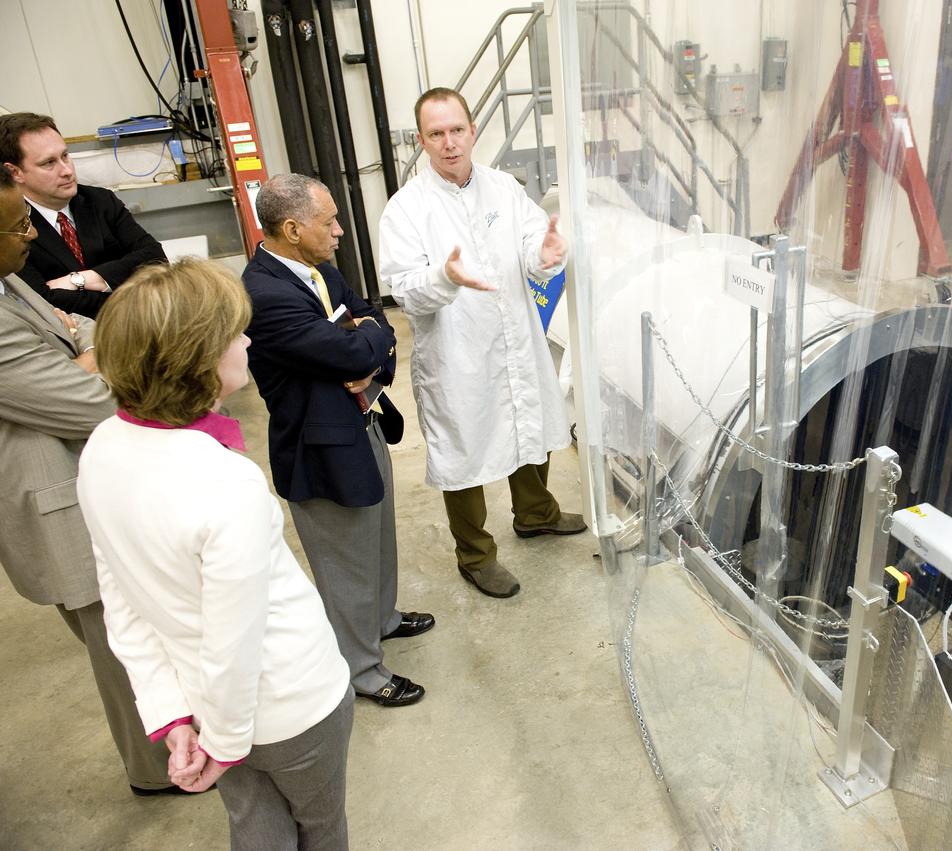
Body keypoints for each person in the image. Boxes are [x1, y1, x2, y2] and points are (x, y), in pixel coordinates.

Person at [78, 258, 354, 849]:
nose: (248, 340)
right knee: (322, 828)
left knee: (255, 828)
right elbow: (236, 639)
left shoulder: (103, 448)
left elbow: (122, 603)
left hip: (204, 704)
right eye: (234, 333)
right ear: (196, 362)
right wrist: (225, 746)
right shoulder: (224, 481)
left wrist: (174, 717)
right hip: (289, 705)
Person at [0, 166, 174, 794]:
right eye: (15, 225)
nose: (28, 234)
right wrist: (85, 359)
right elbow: (90, 400)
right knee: (116, 645)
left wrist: (84, 348)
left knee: (138, 629)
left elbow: (86, 330)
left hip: (89, 480)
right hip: (58, 505)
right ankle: (156, 771)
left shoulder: (11, 284)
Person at [378, 87, 586, 600]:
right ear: (422, 142)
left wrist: (548, 252)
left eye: (456, 130)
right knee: (464, 449)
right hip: (456, 352)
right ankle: (475, 555)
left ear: (473, 131)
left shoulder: (504, 189)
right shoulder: (406, 209)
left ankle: (535, 514)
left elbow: (532, 250)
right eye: (436, 134)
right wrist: (445, 279)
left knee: (527, 418)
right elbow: (404, 288)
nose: (449, 143)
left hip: (514, 335)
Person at [242, 173, 430, 708]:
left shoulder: (316, 269)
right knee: (345, 559)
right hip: (319, 447)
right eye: (330, 222)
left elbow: (374, 317)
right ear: (293, 228)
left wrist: (369, 343)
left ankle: (382, 619)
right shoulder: (266, 293)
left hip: (361, 419)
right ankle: (361, 670)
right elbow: (354, 348)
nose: (340, 231)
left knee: (377, 537)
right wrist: (365, 342)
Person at [0, 112, 167, 318]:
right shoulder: (13, 226)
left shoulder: (100, 201)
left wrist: (82, 279)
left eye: (65, 156)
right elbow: (44, 301)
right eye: (49, 163)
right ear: (14, 172)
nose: (67, 171)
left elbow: (155, 258)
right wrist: (134, 294)